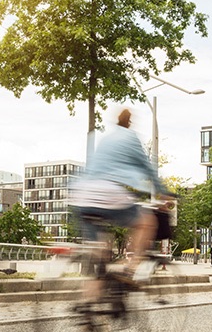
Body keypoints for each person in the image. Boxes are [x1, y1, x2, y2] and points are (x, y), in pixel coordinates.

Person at [70, 108, 173, 284]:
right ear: (129, 122)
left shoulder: (106, 139)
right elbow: (147, 167)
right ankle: (130, 269)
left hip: (82, 194)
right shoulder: (130, 138)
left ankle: (88, 306)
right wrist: (162, 192)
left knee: (98, 255)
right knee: (146, 222)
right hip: (108, 192)